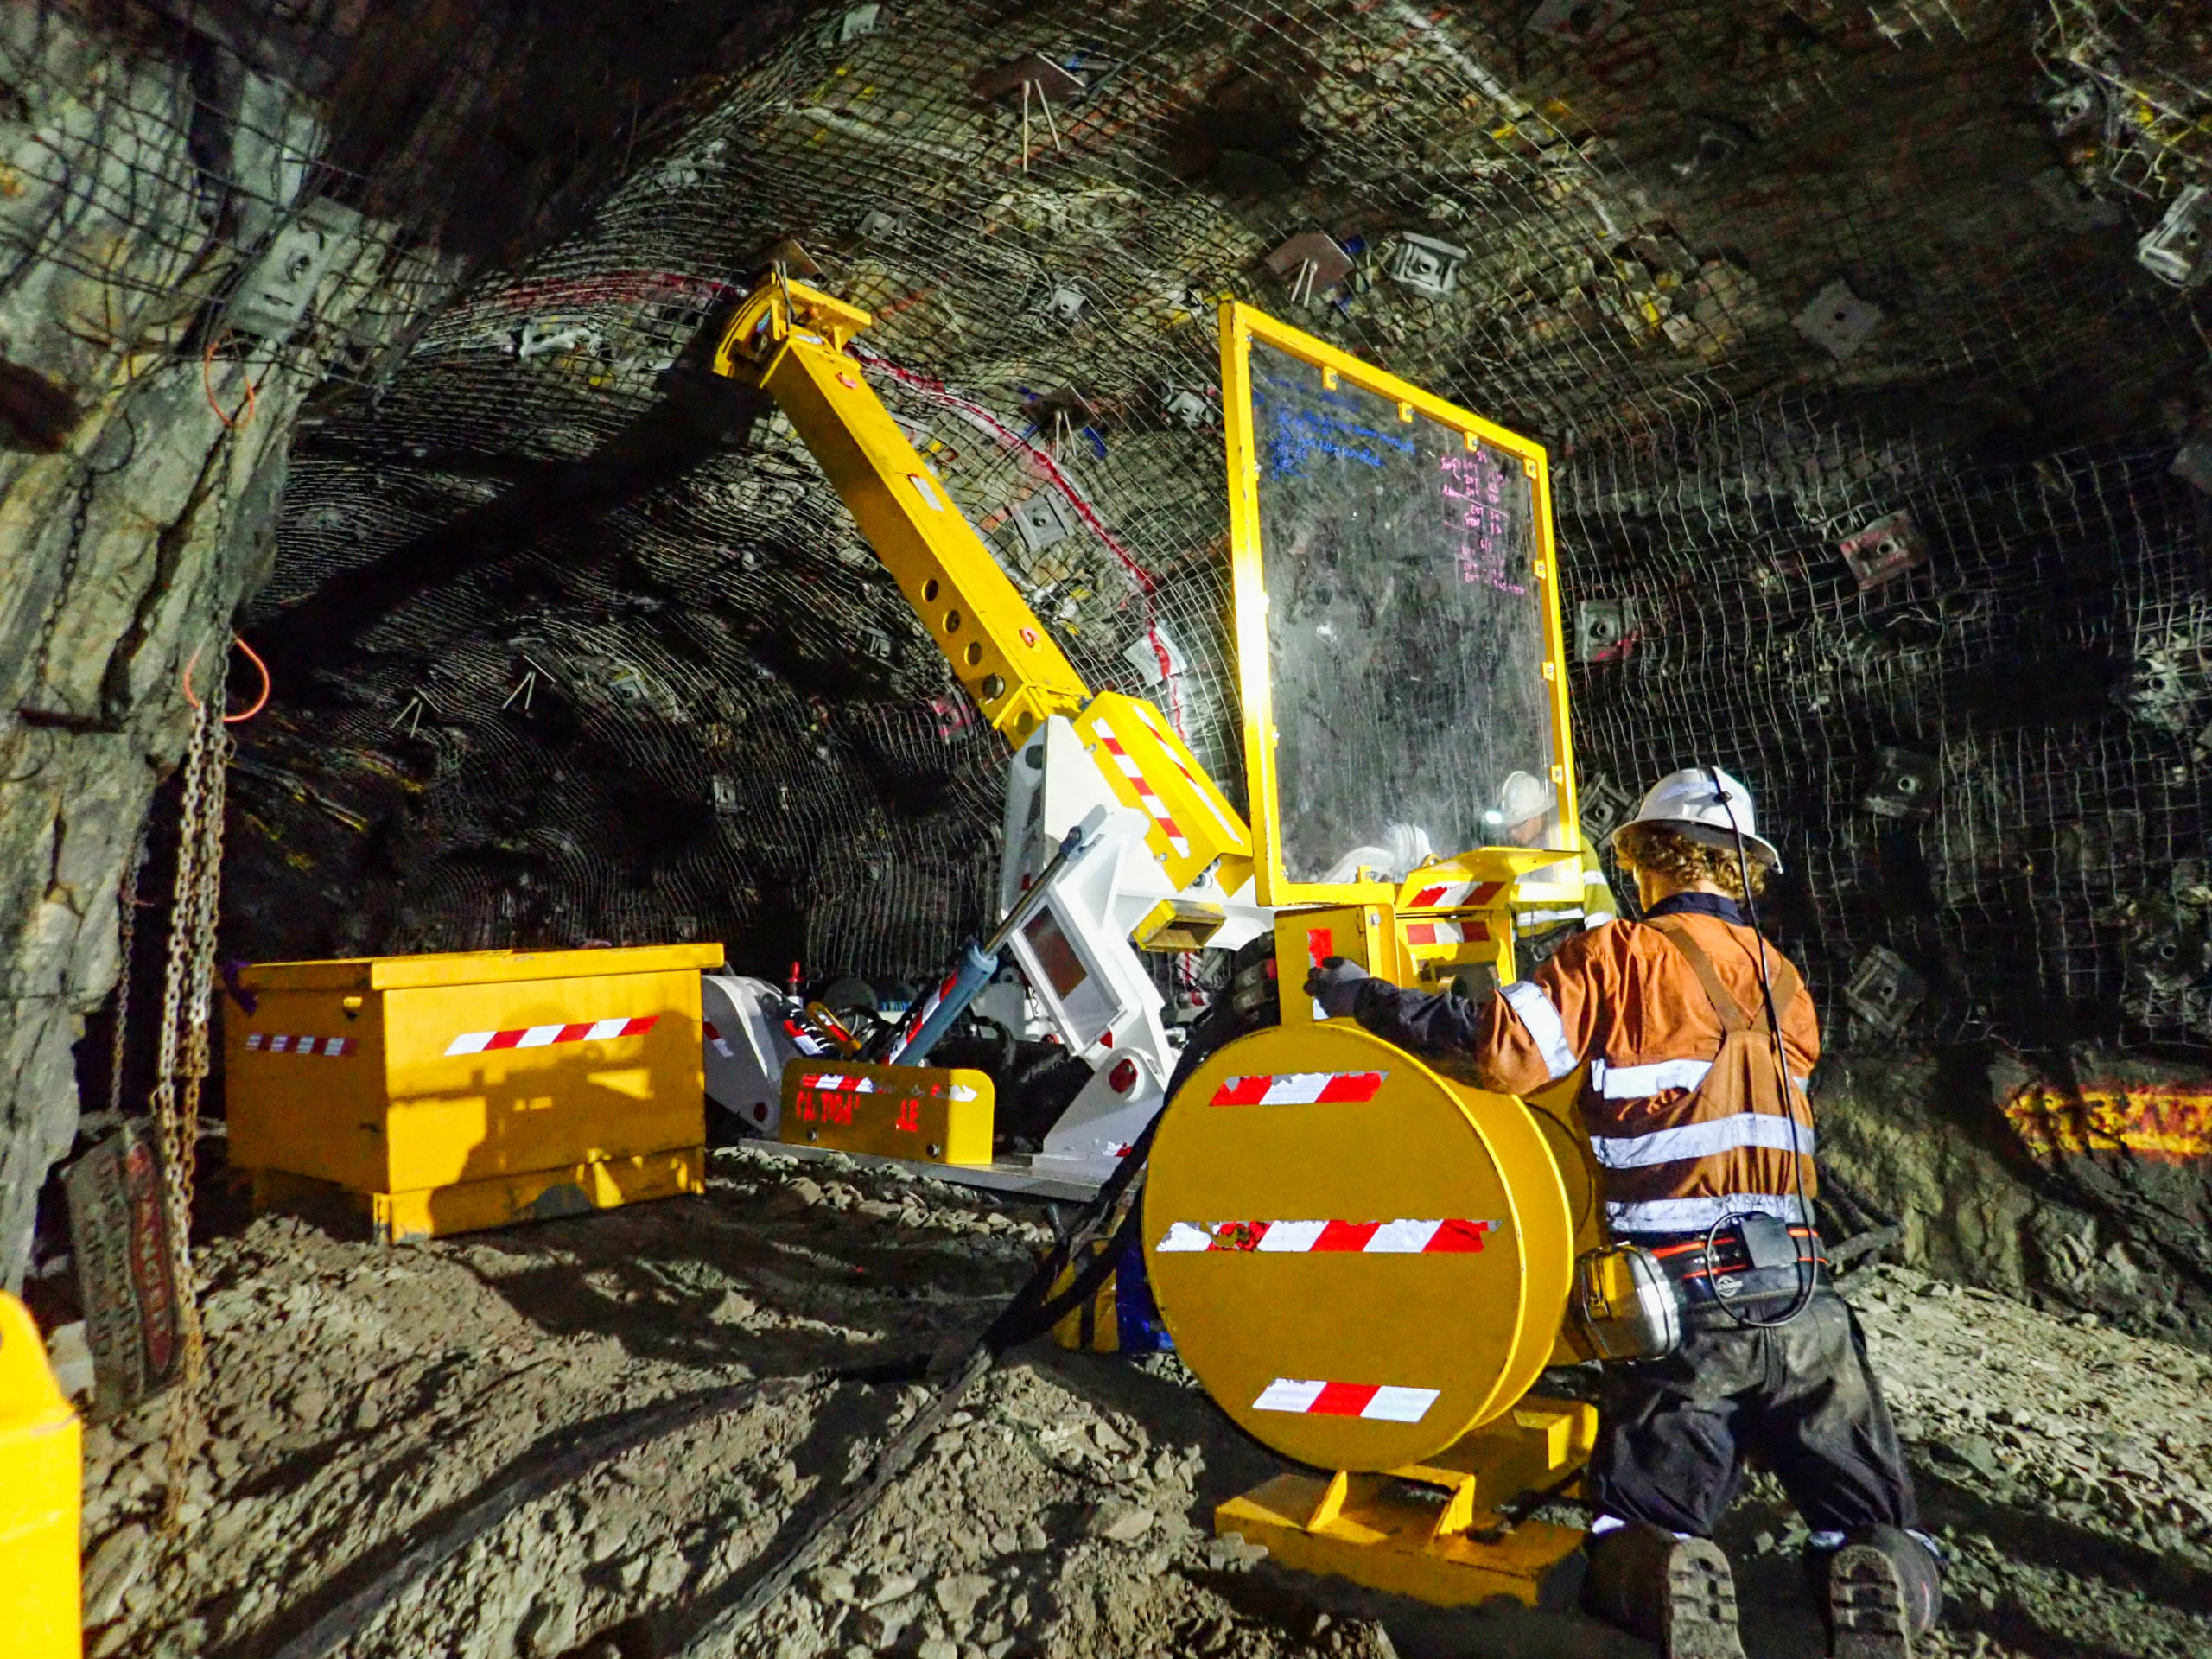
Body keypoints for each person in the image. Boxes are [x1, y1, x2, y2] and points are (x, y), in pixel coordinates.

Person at [1305, 766, 1942, 1659]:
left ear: (1647, 859)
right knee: (1867, 1504)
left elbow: (1498, 1052)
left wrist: (1360, 997)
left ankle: (1661, 1567)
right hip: (1804, 1297)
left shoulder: (1614, 957)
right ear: (1740, 871)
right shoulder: (1785, 985)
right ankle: (1883, 1572)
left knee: (1643, 1515)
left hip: (1680, 1304)